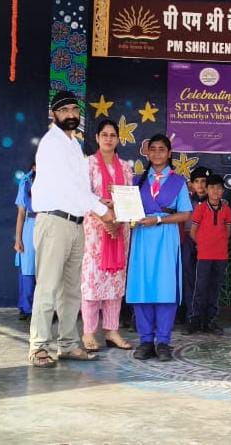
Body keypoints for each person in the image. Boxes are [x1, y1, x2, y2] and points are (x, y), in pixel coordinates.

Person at [28, 90, 114, 368]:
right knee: (48, 288)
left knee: (71, 290)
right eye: (64, 110)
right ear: (54, 114)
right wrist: (103, 211)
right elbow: (67, 187)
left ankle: (67, 344)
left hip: (76, 224)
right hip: (54, 223)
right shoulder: (51, 143)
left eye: (74, 110)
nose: (70, 115)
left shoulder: (74, 144)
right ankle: (39, 346)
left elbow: (79, 188)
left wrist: (98, 201)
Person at [126, 134, 192, 362]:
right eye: (152, 149)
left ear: (169, 153)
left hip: (166, 238)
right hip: (142, 238)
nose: (156, 153)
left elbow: (185, 214)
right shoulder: (137, 181)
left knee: (165, 288)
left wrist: (158, 220)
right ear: (147, 153)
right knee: (142, 287)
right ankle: (145, 341)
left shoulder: (178, 182)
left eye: (161, 149)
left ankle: (163, 341)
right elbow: (128, 210)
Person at [80, 119, 133, 352]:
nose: (109, 139)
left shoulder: (126, 167)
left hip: (119, 229)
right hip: (95, 231)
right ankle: (89, 333)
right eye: (105, 135)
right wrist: (105, 219)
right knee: (93, 281)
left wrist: (116, 220)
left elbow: (129, 199)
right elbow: (84, 197)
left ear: (118, 139)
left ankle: (112, 331)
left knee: (115, 282)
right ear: (97, 138)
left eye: (113, 135)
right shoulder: (87, 164)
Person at [188, 174, 231, 335]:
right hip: (204, 256)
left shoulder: (227, 210)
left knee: (215, 289)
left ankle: (210, 321)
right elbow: (193, 232)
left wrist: (218, 243)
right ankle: (196, 320)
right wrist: (203, 244)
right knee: (200, 288)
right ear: (206, 190)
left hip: (221, 256)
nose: (215, 191)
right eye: (212, 187)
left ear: (223, 191)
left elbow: (228, 232)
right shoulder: (200, 208)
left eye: (219, 188)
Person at [182, 166, 212, 334]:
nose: (200, 185)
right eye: (197, 181)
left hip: (209, 244)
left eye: (204, 182)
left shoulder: (216, 203)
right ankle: (191, 317)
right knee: (189, 280)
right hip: (189, 242)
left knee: (207, 280)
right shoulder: (185, 201)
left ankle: (206, 319)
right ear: (191, 184)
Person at [14, 162, 36, 321]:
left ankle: (46, 309)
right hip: (30, 227)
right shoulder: (26, 181)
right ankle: (26, 308)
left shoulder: (55, 178)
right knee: (28, 268)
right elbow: (21, 213)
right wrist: (18, 239)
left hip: (50, 225)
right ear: (34, 166)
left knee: (48, 270)